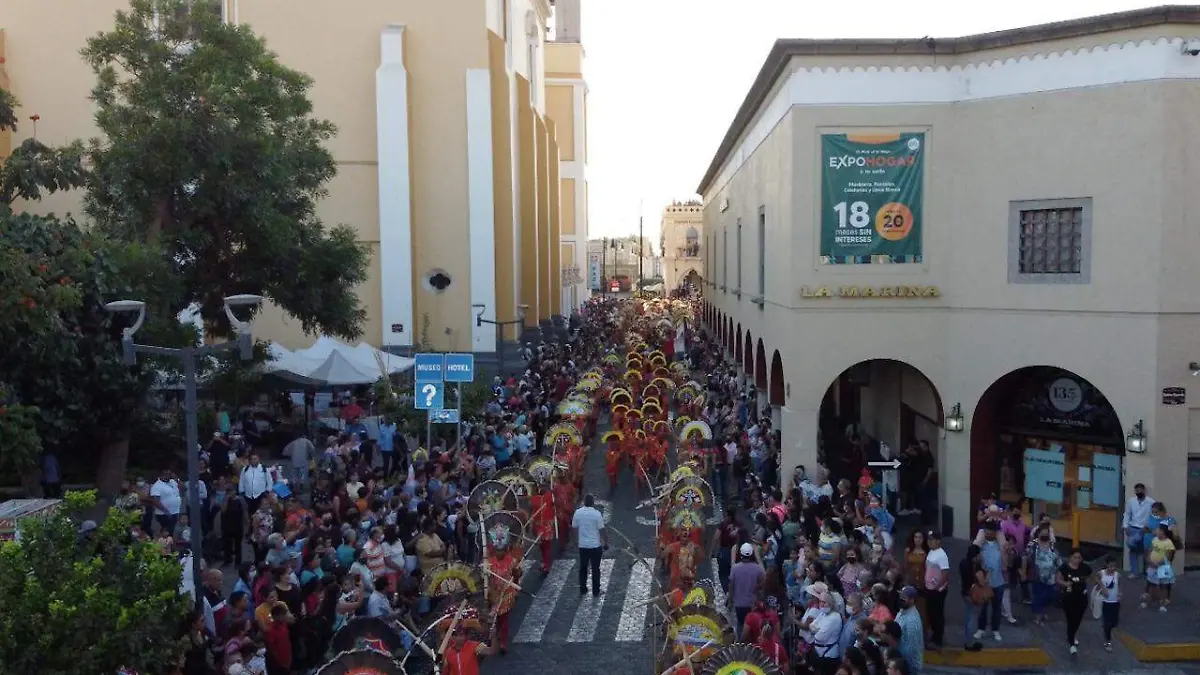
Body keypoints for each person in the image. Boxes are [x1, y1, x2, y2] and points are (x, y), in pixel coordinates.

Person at [1056, 548, 1092, 654]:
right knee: (1070, 620)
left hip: (1081, 598)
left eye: (1079, 558)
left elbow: (1091, 577)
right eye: (1075, 557)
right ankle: (1071, 642)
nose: (1077, 560)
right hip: (1068, 598)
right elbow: (1058, 579)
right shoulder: (1064, 568)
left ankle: (1071, 635)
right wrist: (1065, 584)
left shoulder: (1085, 567)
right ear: (1070, 558)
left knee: (1077, 619)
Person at [571, 494, 607, 596]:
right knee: (595, 569)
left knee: (583, 568)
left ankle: (583, 589)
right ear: (593, 503)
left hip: (583, 546)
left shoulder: (578, 513)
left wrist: (575, 541)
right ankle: (596, 591)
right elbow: (602, 530)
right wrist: (606, 542)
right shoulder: (597, 514)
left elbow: (573, 528)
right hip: (595, 546)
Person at [727, 543, 764, 640]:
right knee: (753, 626)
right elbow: (762, 584)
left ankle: (741, 646)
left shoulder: (735, 568)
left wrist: (730, 600)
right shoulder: (757, 569)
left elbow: (731, 586)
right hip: (753, 603)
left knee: (740, 624)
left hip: (739, 603)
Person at [922, 531, 950, 650]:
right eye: (929, 539)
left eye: (932, 539)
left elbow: (945, 573)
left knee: (937, 615)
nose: (930, 542)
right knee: (932, 613)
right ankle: (933, 636)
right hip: (929, 588)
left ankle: (938, 640)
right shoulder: (931, 552)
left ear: (938, 541)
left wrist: (938, 587)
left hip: (937, 590)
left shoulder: (941, 555)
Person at [1122, 482, 1153, 579]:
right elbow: (1127, 514)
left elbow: (1153, 516)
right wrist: (1125, 526)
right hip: (1133, 528)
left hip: (1145, 529)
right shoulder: (1131, 501)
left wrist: (1147, 527)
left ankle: (1147, 571)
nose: (1138, 492)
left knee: (1146, 550)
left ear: (1144, 490)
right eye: (1137, 490)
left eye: (1140, 490)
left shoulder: (1151, 502)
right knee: (1132, 549)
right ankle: (1134, 572)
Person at [958, 544, 986, 652]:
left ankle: (967, 639)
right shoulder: (976, 566)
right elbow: (982, 582)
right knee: (973, 618)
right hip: (974, 594)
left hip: (965, 592)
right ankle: (970, 643)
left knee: (968, 616)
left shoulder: (963, 562)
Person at [895, 586, 924, 675]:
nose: (901, 599)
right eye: (901, 596)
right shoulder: (902, 611)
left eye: (904, 597)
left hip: (910, 665)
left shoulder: (912, 620)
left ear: (912, 600)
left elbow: (911, 649)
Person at [1095, 556, 1121, 653]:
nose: (1112, 568)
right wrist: (1103, 588)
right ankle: (1108, 641)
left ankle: (1107, 628)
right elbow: (1096, 580)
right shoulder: (1101, 573)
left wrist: (1120, 593)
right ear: (1106, 565)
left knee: (1114, 622)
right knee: (1108, 623)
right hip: (1105, 602)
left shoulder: (1117, 575)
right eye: (1110, 566)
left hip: (1115, 602)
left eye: (1114, 566)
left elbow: (1119, 585)